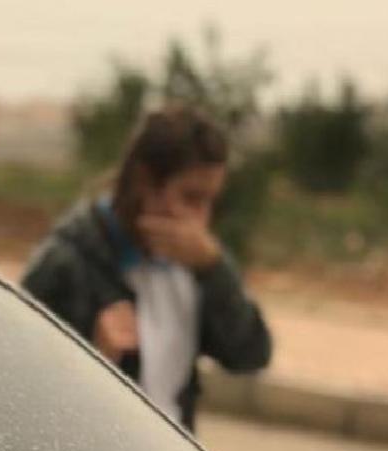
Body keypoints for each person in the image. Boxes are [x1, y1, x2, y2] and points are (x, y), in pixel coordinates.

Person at [21, 104, 271, 431]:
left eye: (210, 202)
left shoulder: (194, 264)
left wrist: (215, 269)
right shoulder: (66, 264)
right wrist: (94, 359)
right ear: (145, 183)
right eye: (191, 198)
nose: (200, 218)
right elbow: (21, 397)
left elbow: (250, 355)